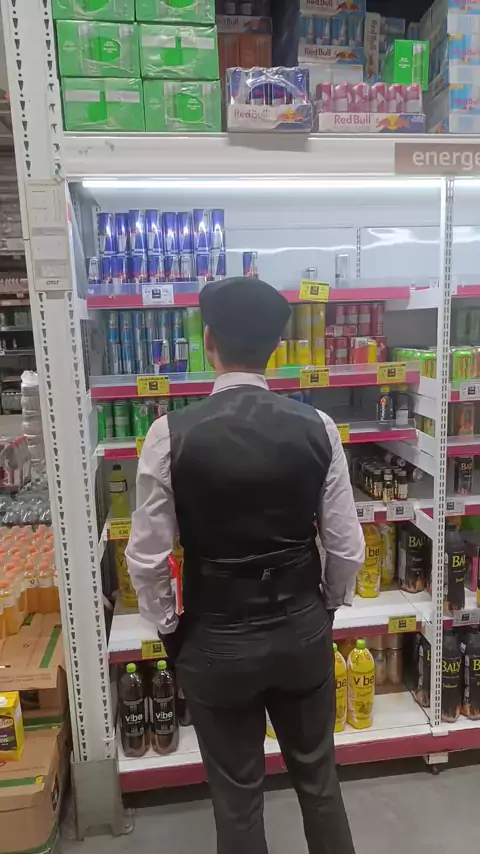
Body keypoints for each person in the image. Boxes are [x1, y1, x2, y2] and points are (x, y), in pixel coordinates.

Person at [126, 277, 365, 854]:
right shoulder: (319, 428)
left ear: (209, 341)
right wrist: (325, 609)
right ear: (276, 348)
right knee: (320, 783)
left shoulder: (168, 435)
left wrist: (171, 628)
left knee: (236, 803)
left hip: (215, 637)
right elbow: (346, 547)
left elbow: (147, 558)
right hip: (300, 627)